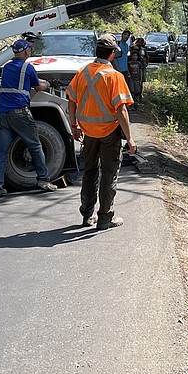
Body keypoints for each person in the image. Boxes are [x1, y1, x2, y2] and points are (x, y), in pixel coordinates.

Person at [67, 32, 136, 230]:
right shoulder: (115, 76)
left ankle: (87, 216)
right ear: (112, 54)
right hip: (109, 134)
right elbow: (121, 110)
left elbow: (71, 102)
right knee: (109, 174)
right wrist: (130, 139)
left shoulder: (82, 72)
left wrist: (74, 127)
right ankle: (105, 218)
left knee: (89, 173)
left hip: (88, 134)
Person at [0, 38, 59, 199]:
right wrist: (48, 84)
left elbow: (26, 81)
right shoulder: (28, 67)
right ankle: (43, 180)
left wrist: (39, 81)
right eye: (29, 49)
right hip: (20, 114)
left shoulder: (7, 67)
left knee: (0, 152)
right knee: (35, 146)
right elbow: (38, 86)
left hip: (4, 115)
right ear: (26, 51)